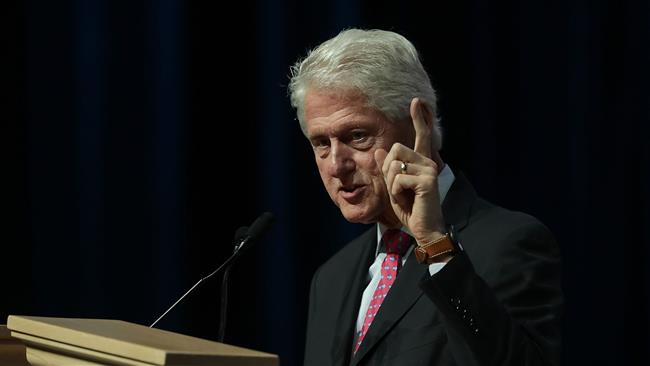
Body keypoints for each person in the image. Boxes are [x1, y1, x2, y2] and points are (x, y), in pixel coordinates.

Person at [288, 28, 562, 366]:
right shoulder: (331, 277)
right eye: (321, 143)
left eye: (357, 136)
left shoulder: (508, 243)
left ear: (422, 123)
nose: (336, 165)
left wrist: (435, 244)